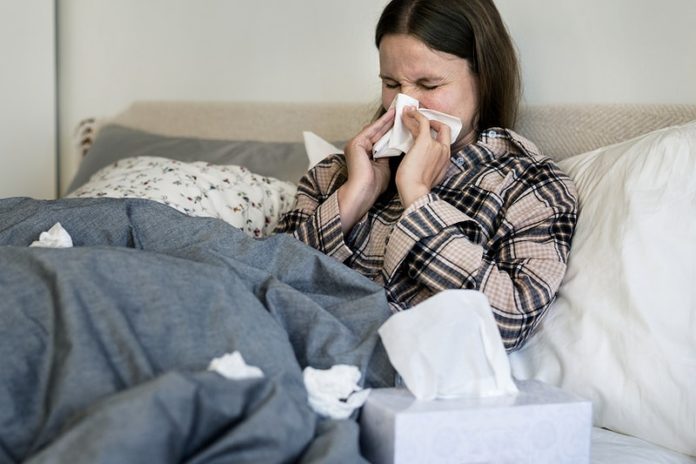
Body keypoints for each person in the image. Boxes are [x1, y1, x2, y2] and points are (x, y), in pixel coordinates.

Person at [276, 0, 578, 352]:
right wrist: (355, 197)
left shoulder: (530, 187)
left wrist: (418, 198)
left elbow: (509, 322)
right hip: (274, 342)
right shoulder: (335, 174)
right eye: (391, 83)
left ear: (485, 77)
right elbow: (261, 280)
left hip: (373, 368)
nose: (405, 106)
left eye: (429, 85)